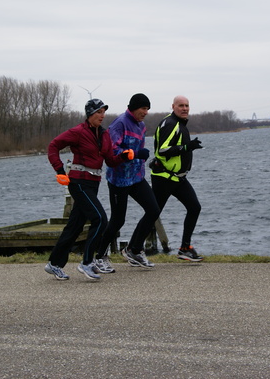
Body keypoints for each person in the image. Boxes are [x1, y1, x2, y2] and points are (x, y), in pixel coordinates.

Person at [44, 98, 133, 280]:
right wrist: (60, 170)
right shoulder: (77, 132)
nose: (102, 115)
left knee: (74, 227)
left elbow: (110, 161)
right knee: (100, 219)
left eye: (103, 112)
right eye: (99, 112)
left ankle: (53, 264)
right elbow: (53, 146)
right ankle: (86, 263)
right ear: (90, 114)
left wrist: (124, 156)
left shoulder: (104, 135)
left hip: (93, 184)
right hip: (78, 182)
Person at [93, 93, 160, 272]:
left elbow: (139, 149)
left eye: (147, 109)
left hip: (136, 177)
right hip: (119, 179)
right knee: (117, 220)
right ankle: (98, 257)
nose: (145, 112)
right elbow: (112, 150)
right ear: (133, 107)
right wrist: (136, 154)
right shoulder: (120, 123)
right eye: (143, 108)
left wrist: (143, 157)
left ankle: (134, 250)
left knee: (153, 210)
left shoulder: (141, 126)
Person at [150, 95, 204, 261]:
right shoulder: (171, 124)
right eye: (181, 105)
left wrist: (188, 148)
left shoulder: (180, 124)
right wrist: (187, 147)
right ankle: (133, 248)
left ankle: (185, 248)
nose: (185, 108)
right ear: (173, 106)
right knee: (153, 212)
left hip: (178, 178)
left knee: (194, 207)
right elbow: (163, 150)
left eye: (187, 105)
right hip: (164, 177)